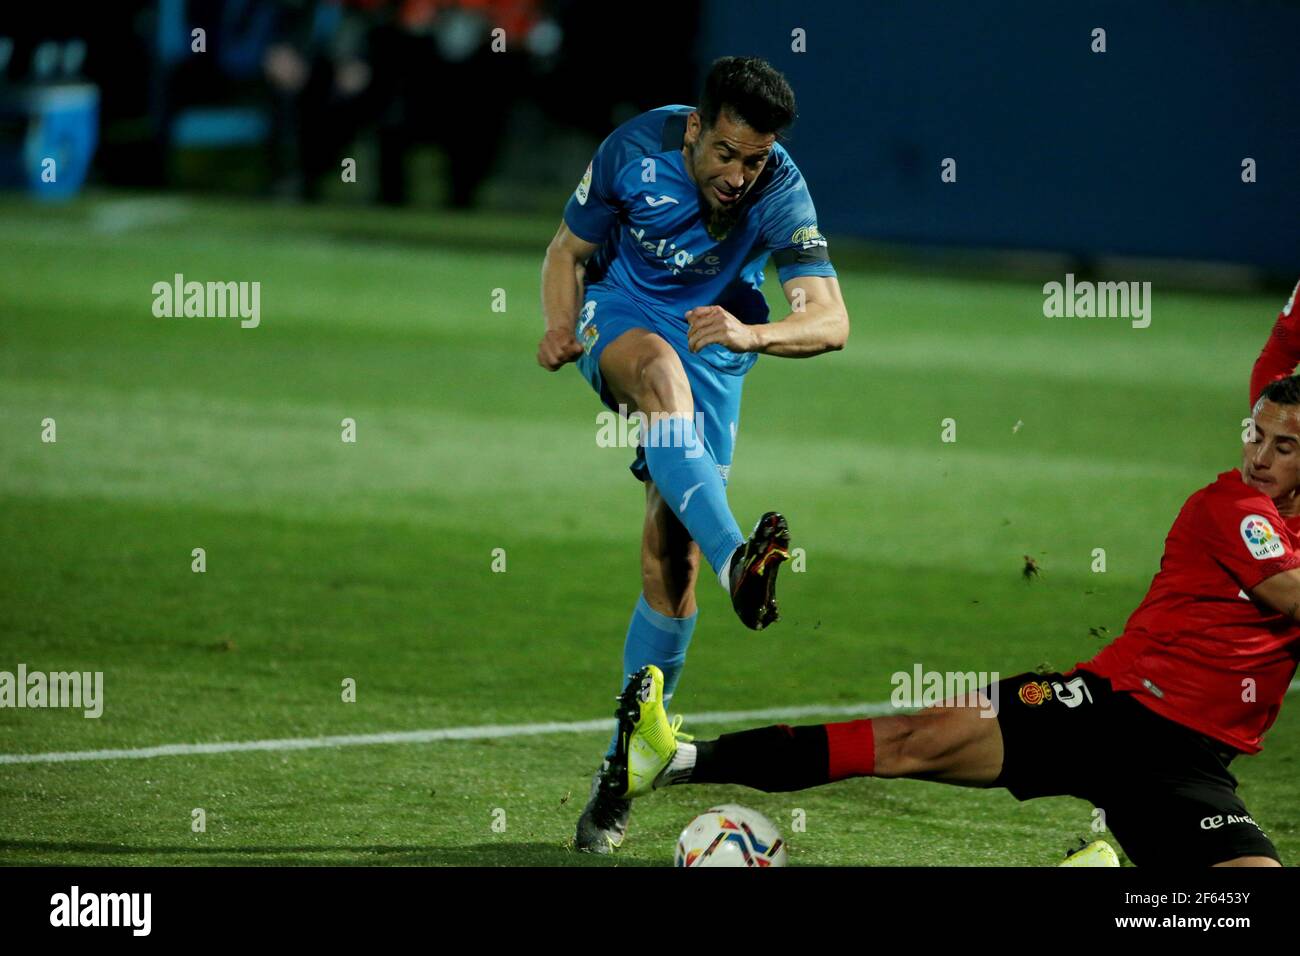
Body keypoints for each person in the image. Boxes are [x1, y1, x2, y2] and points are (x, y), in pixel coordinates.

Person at [606, 283, 1300, 867]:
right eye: (1254, 434)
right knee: (909, 740)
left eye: (1284, 445)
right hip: (1107, 710)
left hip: (1189, 765)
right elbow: (1288, 594)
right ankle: (680, 758)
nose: (1259, 456)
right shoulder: (1230, 505)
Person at [536, 56, 850, 853]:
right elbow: (567, 252)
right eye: (726, 153)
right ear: (694, 128)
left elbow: (830, 320)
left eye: (755, 159)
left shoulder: (782, 184)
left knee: (665, 559)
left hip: (717, 336)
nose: (741, 175)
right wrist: (558, 325)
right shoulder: (632, 150)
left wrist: (755, 334)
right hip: (623, 314)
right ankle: (736, 560)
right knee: (658, 372)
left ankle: (621, 768)